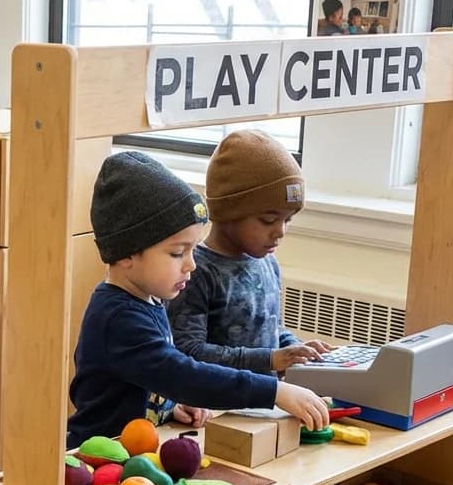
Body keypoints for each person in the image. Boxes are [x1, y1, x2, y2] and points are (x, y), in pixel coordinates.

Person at [66, 151, 330, 449]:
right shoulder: (118, 317)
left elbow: (147, 378)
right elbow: (179, 373)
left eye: (192, 250)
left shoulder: (147, 299)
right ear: (126, 254)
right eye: (177, 253)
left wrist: (169, 408)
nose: (191, 264)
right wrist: (273, 391)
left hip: (135, 450)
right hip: (97, 457)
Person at [167, 130, 332, 376]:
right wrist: (270, 360)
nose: (281, 231)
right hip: (216, 408)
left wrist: (294, 347)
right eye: (268, 220)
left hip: (264, 399)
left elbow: (272, 331)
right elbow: (188, 352)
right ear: (228, 212)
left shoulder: (268, 263)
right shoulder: (195, 271)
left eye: (288, 220)